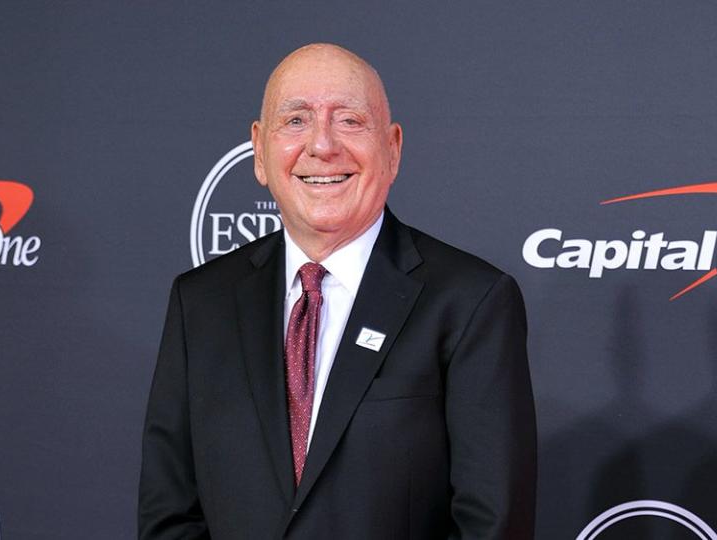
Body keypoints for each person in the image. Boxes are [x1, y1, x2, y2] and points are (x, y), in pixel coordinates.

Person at [138, 43, 536, 539]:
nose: (322, 146)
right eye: (296, 121)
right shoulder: (200, 303)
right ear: (260, 152)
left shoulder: (470, 302)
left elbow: (489, 525)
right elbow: (169, 517)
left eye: (349, 120)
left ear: (392, 149)